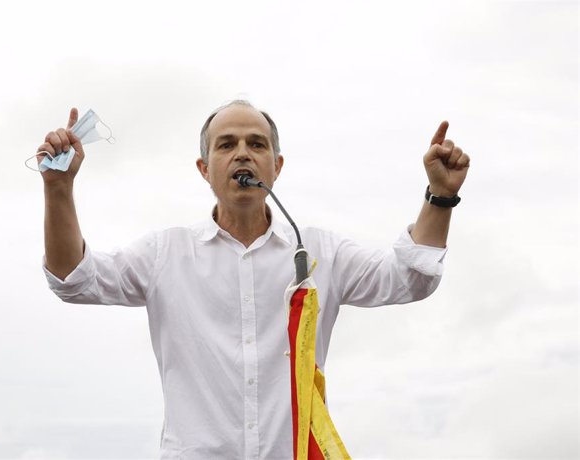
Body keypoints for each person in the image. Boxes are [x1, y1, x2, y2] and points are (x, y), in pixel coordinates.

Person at [36, 100, 470, 459]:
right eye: (226, 145)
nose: (242, 153)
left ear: (276, 166)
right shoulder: (164, 254)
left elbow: (412, 278)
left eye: (255, 144)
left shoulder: (321, 252)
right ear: (204, 168)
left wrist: (441, 197)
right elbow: (73, 279)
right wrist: (58, 189)